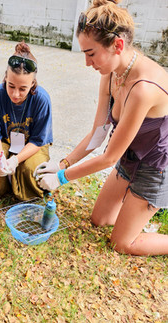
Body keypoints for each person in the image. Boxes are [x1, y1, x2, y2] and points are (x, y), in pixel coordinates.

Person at [35, 0, 168, 256]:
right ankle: (137, 212)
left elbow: (108, 157)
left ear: (117, 45)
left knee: (121, 243)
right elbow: (99, 133)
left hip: (155, 166)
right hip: (130, 157)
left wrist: (62, 179)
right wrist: (62, 163)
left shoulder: (143, 89)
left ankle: (142, 211)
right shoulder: (111, 73)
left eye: (91, 53)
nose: (87, 63)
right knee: (100, 220)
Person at [0, 41, 53, 201]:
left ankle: (26, 191)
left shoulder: (42, 99)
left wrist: (16, 160)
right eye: (11, 86)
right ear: (5, 77)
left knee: (31, 167)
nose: (15, 94)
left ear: (33, 83)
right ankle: (1, 186)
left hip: (32, 145)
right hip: (4, 140)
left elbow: (39, 140)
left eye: (22, 89)